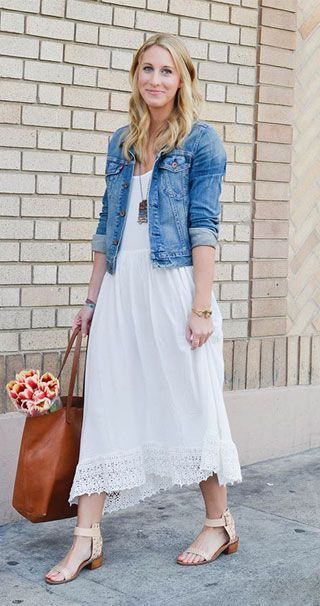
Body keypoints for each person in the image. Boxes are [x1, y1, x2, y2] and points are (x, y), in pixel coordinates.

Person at [45, 32, 242, 584]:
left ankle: (218, 521)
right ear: (136, 75)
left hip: (175, 287)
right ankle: (85, 537)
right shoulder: (122, 142)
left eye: (167, 71)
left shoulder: (201, 143)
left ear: (183, 81)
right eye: (147, 69)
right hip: (122, 291)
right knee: (108, 402)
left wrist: (201, 307)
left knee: (194, 401)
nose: (155, 80)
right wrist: (91, 300)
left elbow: (204, 228)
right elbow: (107, 229)